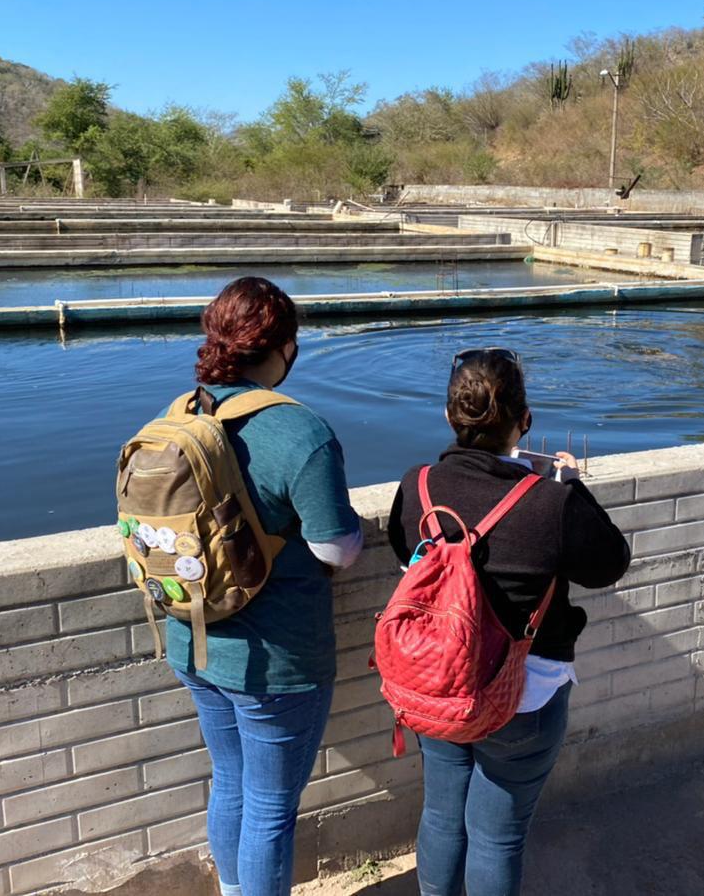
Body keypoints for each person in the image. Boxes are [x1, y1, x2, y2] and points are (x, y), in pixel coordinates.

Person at [386, 347, 631, 896]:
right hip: (524, 694)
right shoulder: (550, 503)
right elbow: (610, 562)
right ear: (525, 421)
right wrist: (571, 485)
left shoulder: (416, 486)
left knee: (443, 817)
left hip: (438, 685)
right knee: (496, 837)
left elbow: (406, 556)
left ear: (450, 416)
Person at [170, 277, 363, 896]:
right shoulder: (299, 432)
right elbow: (338, 547)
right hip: (276, 662)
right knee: (271, 810)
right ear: (282, 346)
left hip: (194, 639)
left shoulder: (179, 414)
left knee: (230, 783)